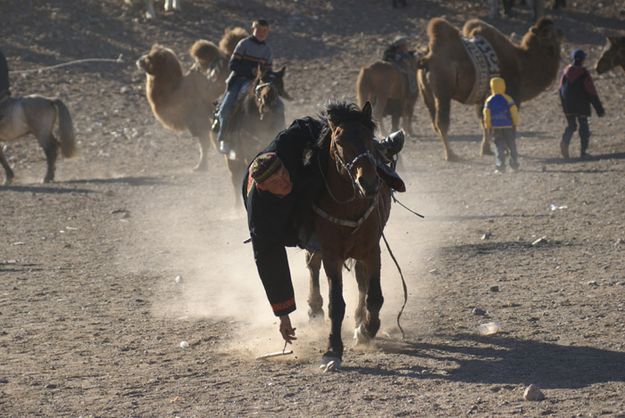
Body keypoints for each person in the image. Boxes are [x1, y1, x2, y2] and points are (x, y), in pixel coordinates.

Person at [243, 106, 405, 344]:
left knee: (340, 152)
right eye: (277, 182)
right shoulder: (262, 212)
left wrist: (340, 131)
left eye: (283, 174)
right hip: (287, 210)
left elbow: (304, 126)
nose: (283, 180)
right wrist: (283, 315)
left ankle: (378, 149)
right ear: (265, 188)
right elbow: (268, 257)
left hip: (305, 174)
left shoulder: (286, 150)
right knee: (305, 226)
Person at [213, 19, 281, 158]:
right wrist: (250, 71)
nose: (262, 33)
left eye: (265, 31)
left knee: (279, 106)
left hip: (259, 83)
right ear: (253, 29)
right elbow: (233, 64)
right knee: (226, 108)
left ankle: (278, 138)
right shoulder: (244, 44)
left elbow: (267, 70)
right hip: (239, 80)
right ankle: (223, 139)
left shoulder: (267, 50)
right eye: (259, 30)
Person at [558, 49, 605, 160]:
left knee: (571, 126)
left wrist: (564, 103)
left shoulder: (566, 71)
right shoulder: (583, 73)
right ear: (583, 59)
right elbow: (591, 90)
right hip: (581, 105)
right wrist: (599, 108)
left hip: (568, 104)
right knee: (583, 127)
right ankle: (583, 152)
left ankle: (564, 142)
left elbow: (560, 88)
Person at [483, 77, 520, 173]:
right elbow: (514, 111)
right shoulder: (508, 99)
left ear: (492, 87)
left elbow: (486, 114)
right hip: (508, 126)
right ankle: (514, 165)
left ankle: (500, 167)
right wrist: (515, 122)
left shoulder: (489, 100)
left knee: (499, 147)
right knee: (512, 145)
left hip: (496, 127)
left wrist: (488, 125)